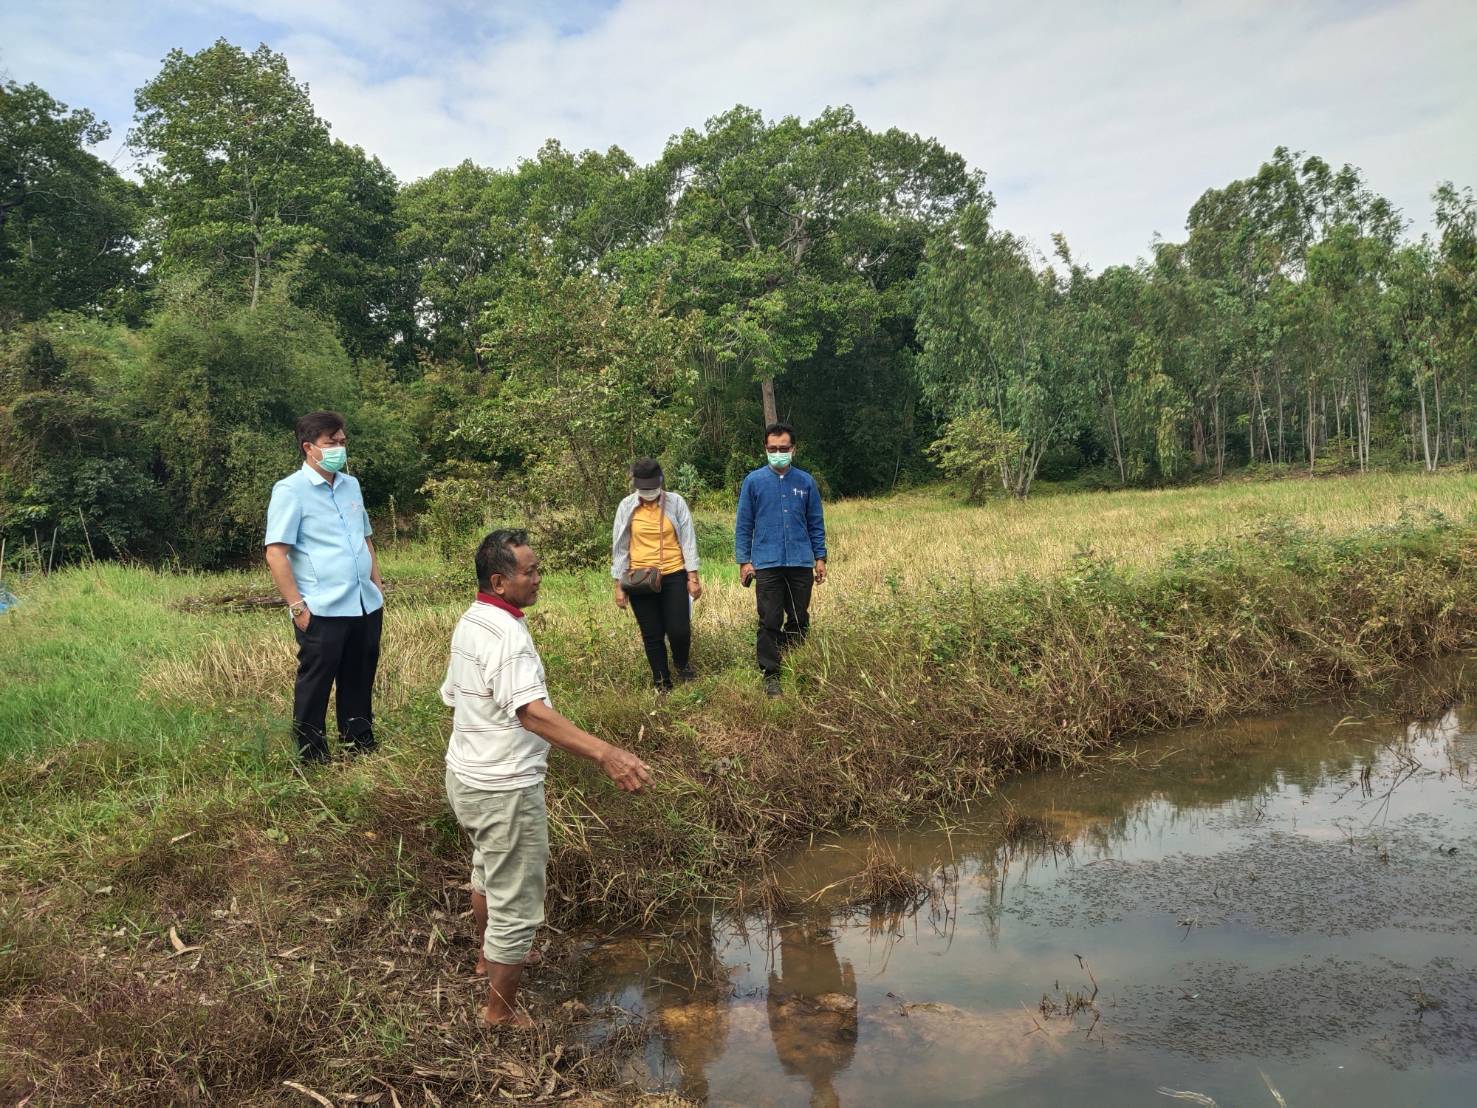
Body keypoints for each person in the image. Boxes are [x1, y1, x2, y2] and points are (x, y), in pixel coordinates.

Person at [442, 529, 653, 1027]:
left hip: (467, 779)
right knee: (516, 904)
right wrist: (606, 754)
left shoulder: (472, 619)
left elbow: (454, 696)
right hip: (504, 788)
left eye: (538, 569)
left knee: (487, 872)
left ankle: (485, 959)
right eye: (529, 571)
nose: (538, 578)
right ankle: (500, 1013)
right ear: (499, 581)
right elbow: (531, 713)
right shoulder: (507, 635)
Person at [264, 411, 384, 763]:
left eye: (342, 442)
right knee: (316, 681)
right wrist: (297, 606)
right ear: (309, 448)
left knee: (360, 675)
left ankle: (359, 743)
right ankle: (312, 753)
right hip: (322, 607)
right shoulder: (291, 491)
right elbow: (276, 553)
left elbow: (365, 538)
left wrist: (377, 587)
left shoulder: (351, 485)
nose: (339, 449)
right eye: (331, 443)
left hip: (363, 603)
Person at [734, 422, 827, 697]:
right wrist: (744, 561)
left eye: (783, 448)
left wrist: (820, 557)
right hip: (767, 562)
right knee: (770, 619)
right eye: (773, 449)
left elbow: (815, 522)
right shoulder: (753, 482)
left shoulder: (806, 482)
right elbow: (744, 524)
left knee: (799, 617)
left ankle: (795, 661)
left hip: (800, 560)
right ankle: (771, 674)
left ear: (793, 449)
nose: (778, 453)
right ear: (765, 449)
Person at [610, 458, 702, 690]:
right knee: (652, 633)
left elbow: (688, 540)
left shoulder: (676, 502)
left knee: (679, 629)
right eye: (643, 488)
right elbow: (620, 547)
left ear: (660, 481)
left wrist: (692, 577)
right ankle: (662, 682)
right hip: (639, 579)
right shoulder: (626, 506)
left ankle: (682, 665)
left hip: (673, 574)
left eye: (652, 487)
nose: (648, 492)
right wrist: (619, 585)